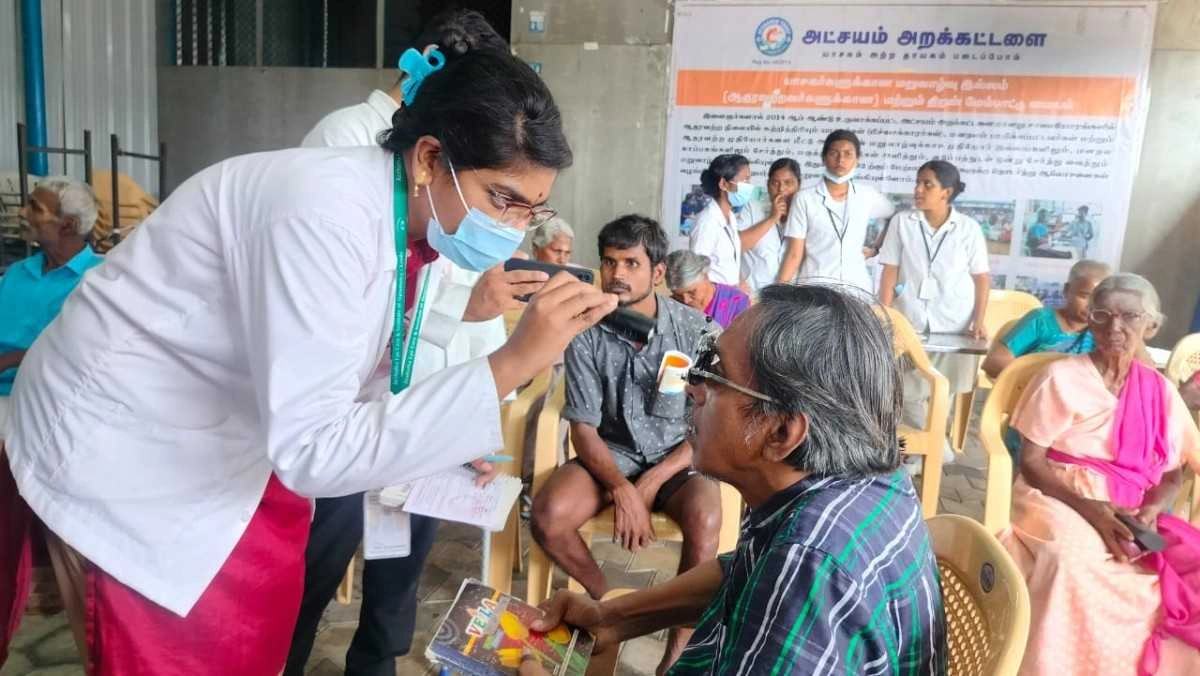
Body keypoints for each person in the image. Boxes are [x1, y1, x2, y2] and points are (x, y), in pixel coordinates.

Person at [1, 41, 618, 674]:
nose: (514, 228)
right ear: (431, 158)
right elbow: (313, 449)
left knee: (254, 629)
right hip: (128, 442)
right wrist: (513, 361)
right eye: (503, 199)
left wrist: (445, 437)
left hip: (224, 431)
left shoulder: (411, 222)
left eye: (532, 209)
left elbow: (362, 364)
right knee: (177, 646)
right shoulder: (324, 216)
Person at [519, 284, 946, 676]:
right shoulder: (870, 479)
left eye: (715, 372)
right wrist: (610, 617)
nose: (693, 388)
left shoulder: (808, 563)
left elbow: (784, 577)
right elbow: (743, 572)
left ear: (780, 432)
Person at [285, 10, 528, 676]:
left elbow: (470, 295)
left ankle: (375, 664)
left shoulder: (460, 164)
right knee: (316, 562)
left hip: (421, 403)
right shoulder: (344, 141)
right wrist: (459, 317)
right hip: (349, 410)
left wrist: (469, 423)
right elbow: (349, 304)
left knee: (399, 567)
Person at [531, 215, 721, 674]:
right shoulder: (585, 330)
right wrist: (621, 488)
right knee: (548, 516)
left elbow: (710, 421)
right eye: (609, 262)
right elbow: (584, 428)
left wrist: (650, 482)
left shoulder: (696, 330)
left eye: (631, 263)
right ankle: (608, 608)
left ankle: (676, 654)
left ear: (657, 273)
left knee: (706, 516)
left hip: (679, 456)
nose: (617, 274)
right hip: (610, 452)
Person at [1000, 273, 1200, 674]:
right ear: (1089, 320)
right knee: (1069, 562)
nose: (1115, 327)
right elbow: (1032, 462)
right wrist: (1091, 509)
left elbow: (1173, 473)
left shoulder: (1159, 390)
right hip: (1058, 493)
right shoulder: (1059, 378)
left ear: (1151, 326)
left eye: (1130, 317)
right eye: (1102, 315)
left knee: (1175, 570)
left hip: (1131, 504)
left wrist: (1150, 510)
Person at [878, 160, 989, 462]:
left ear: (946, 192)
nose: (918, 189)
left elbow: (981, 278)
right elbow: (890, 270)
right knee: (905, 390)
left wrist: (979, 320)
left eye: (927, 184)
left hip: (953, 322)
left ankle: (923, 456)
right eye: (918, 182)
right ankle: (932, 449)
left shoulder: (967, 229)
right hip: (909, 320)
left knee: (944, 391)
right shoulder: (902, 222)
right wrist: (884, 314)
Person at [0, 178, 103, 438]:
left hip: (40, 401)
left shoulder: (98, 280)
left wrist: (8, 361)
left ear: (68, 225)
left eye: (35, 208)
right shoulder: (18, 272)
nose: (22, 212)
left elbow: (83, 354)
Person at [775, 130, 895, 292]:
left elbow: (895, 218)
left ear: (857, 159)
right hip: (816, 286)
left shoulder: (867, 195)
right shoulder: (805, 198)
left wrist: (875, 248)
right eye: (834, 153)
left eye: (848, 154)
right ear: (824, 158)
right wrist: (776, 294)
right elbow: (794, 254)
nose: (841, 160)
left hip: (856, 286)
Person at [981, 259, 1112, 380]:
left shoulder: (1104, 331)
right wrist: (1042, 381)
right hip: (1032, 391)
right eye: (1085, 296)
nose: (1092, 305)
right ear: (1067, 290)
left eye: (1100, 299)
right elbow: (994, 362)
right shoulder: (1041, 321)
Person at [689, 154, 770, 290]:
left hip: (731, 296)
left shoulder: (730, 216)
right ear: (723, 184)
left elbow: (729, 263)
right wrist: (720, 296)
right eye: (745, 180)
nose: (749, 186)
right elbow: (697, 272)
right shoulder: (706, 222)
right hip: (715, 299)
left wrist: (740, 284)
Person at [738, 158, 796, 294]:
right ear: (768, 185)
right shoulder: (752, 208)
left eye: (788, 183)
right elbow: (736, 246)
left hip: (792, 297)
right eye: (775, 183)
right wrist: (772, 218)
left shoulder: (806, 212)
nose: (781, 189)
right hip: (754, 295)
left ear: (798, 185)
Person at [665, 250, 749, 328]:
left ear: (705, 277)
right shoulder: (670, 306)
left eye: (691, 292)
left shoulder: (737, 304)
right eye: (678, 295)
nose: (686, 300)